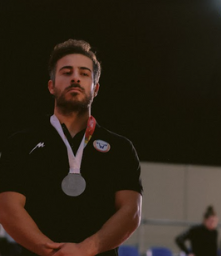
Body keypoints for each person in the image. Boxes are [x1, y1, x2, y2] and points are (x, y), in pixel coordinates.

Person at [0, 39, 143, 256]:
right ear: (51, 86)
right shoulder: (20, 144)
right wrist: (51, 251)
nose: (75, 77)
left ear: (95, 88)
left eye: (84, 73)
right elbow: (7, 208)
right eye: (66, 72)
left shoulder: (121, 149)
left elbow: (131, 211)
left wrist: (85, 249)